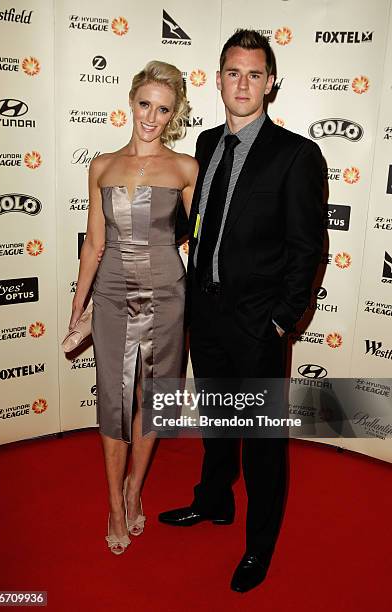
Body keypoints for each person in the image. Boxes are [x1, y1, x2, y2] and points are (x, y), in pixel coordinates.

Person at [158, 30, 324, 592]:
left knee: (262, 444)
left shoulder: (297, 154)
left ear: (270, 82)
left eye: (255, 73)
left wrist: (281, 320)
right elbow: (192, 223)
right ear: (219, 79)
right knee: (217, 427)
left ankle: (259, 545)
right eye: (234, 72)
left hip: (257, 324)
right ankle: (214, 503)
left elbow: (307, 249)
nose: (243, 83)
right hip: (203, 314)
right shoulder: (205, 146)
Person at [69, 60, 198, 555]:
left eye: (163, 109)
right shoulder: (101, 165)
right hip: (111, 297)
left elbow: (204, 240)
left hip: (168, 294)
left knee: (154, 401)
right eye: (145, 104)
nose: (151, 116)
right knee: (115, 403)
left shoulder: (186, 168)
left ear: (173, 114)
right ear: (131, 102)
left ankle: (134, 488)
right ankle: (114, 505)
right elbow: (93, 245)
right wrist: (76, 306)